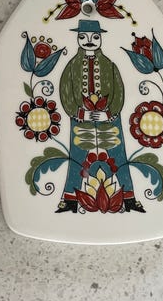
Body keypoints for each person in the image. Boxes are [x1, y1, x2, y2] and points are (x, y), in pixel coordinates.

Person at [57, 19, 144, 213]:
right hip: (81, 120)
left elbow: (119, 93)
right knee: (77, 158)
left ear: (100, 38)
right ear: (78, 38)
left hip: (108, 120)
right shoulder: (71, 66)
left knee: (118, 156)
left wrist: (109, 113)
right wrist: (80, 113)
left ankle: (129, 198)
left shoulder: (110, 65)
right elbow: (65, 92)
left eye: (95, 37)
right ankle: (70, 200)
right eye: (83, 37)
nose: (89, 41)